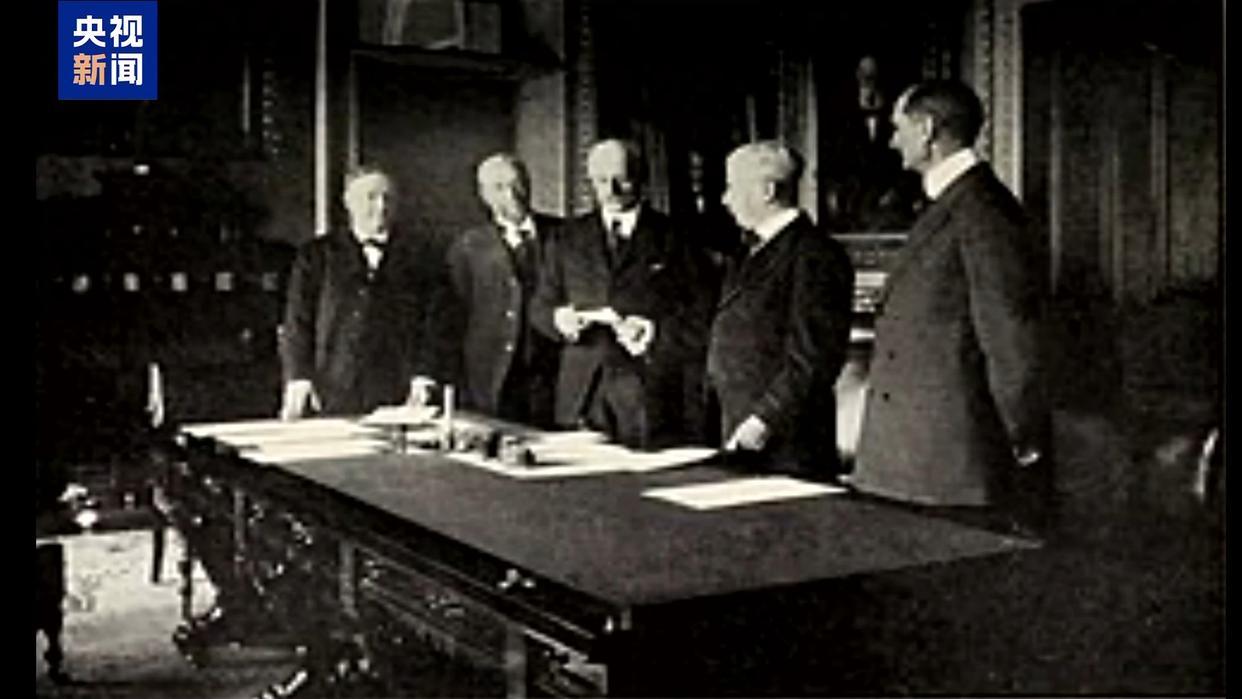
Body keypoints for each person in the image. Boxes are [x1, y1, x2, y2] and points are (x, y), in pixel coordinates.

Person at [850, 80, 1054, 534]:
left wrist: (1024, 441)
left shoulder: (984, 210)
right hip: (919, 462)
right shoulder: (952, 202)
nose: (892, 140)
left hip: (950, 467)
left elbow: (1010, 337)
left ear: (926, 129)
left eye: (898, 128)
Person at [531, 139, 714, 448]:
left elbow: (703, 315)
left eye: (622, 179)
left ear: (642, 178)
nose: (611, 190)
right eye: (601, 180)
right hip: (580, 391)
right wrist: (557, 319)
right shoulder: (567, 237)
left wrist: (654, 332)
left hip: (648, 390)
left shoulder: (676, 237)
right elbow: (540, 305)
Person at [707, 141, 855, 478]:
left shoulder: (816, 255)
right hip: (741, 432)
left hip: (783, 442)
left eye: (732, 187)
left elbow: (813, 358)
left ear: (767, 191)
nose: (725, 199)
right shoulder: (749, 251)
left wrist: (764, 420)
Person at [278, 166, 437, 419]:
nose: (381, 206)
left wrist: (424, 375)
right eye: (371, 197)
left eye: (388, 198)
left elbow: (435, 323)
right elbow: (298, 321)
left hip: (399, 389)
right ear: (348, 202)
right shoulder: (317, 255)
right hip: (331, 387)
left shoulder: (421, 257)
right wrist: (299, 377)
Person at [443, 153, 561, 427]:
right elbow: (455, 318)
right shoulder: (468, 246)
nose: (511, 195)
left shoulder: (563, 235)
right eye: (499, 187)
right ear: (484, 195)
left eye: (517, 184)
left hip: (553, 374)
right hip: (491, 377)